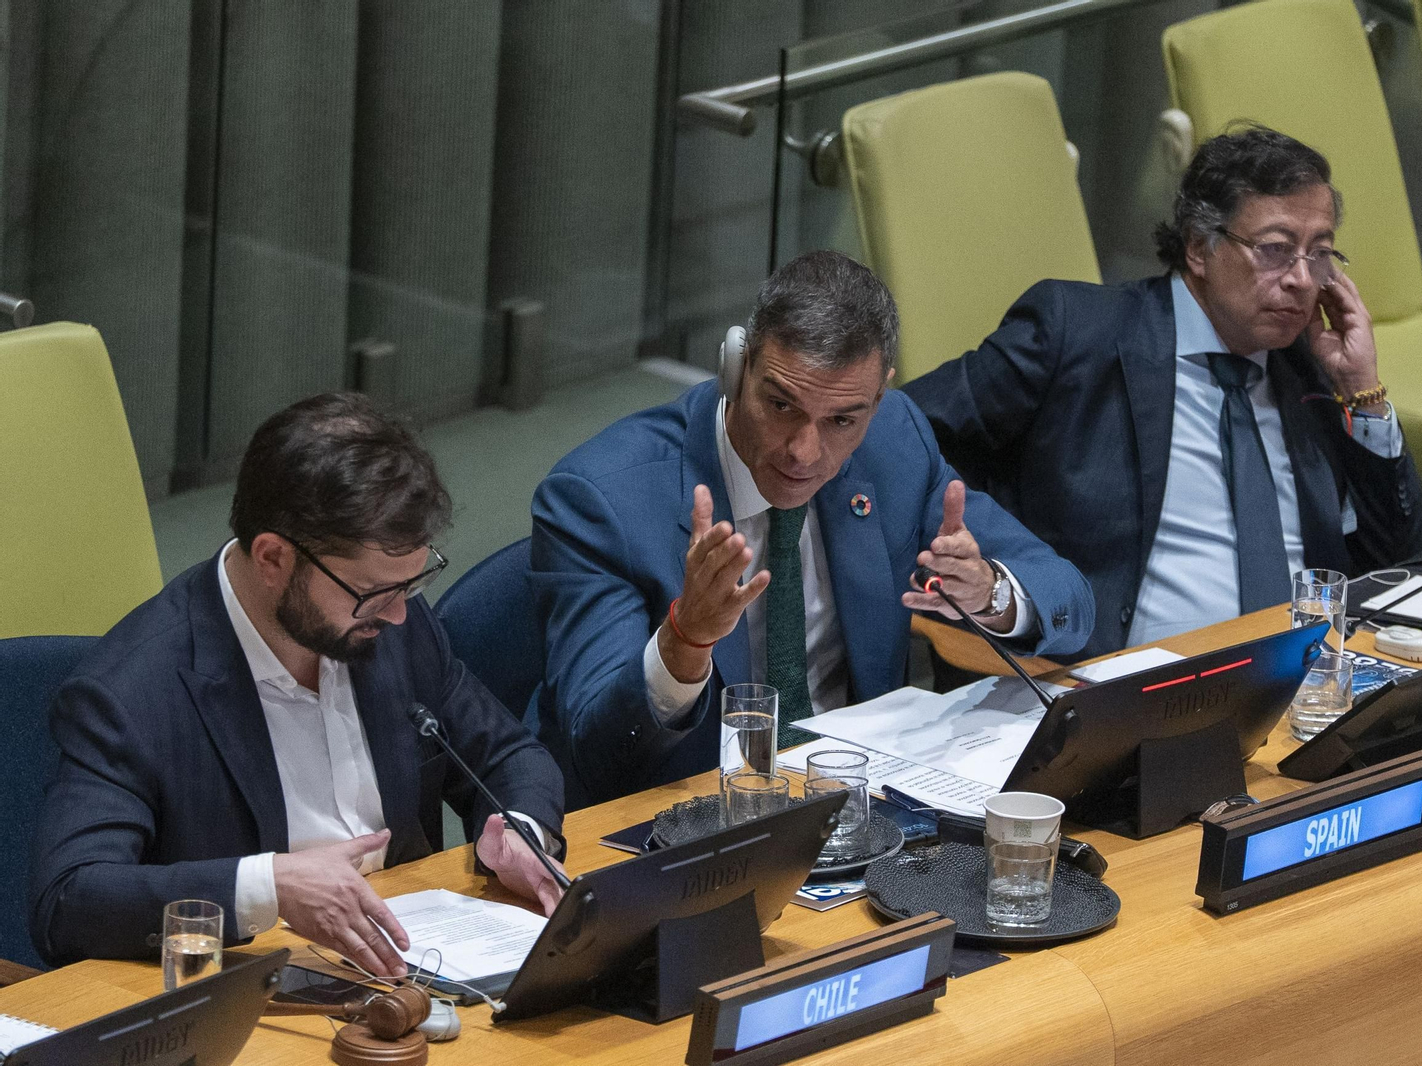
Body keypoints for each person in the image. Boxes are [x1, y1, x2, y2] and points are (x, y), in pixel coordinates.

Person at [531, 250, 1094, 805]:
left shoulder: (894, 440)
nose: (804, 452)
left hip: (858, 806)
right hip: (685, 823)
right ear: (736, 366)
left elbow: (1069, 597)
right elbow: (597, 754)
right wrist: (685, 639)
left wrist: (989, 592)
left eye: (842, 420)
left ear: (878, 399)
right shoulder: (602, 498)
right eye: (781, 406)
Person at [30, 393, 566, 974]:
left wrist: (521, 831)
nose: (397, 616)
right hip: (253, 993)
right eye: (371, 593)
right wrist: (268, 885)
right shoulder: (131, 692)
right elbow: (69, 901)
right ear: (272, 558)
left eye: (411, 585)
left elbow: (508, 754)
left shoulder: (390, 623)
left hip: (423, 966)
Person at [904, 125, 1422, 661]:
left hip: (1307, 681)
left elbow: (1396, 565)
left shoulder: (1310, 364)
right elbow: (903, 435)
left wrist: (1361, 389)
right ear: (1200, 248)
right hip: (1117, 686)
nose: (1301, 279)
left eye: (1319, 255)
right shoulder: (1079, 332)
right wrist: (998, 573)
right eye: (1274, 250)